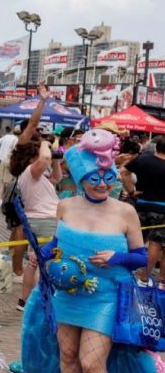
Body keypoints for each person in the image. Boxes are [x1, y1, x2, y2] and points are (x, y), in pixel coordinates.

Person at [21, 143, 147, 372]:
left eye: (108, 177)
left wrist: (117, 257)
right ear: (81, 179)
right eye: (94, 179)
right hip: (68, 294)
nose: (103, 184)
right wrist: (40, 254)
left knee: (91, 363)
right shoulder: (65, 206)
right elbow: (57, 244)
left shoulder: (126, 212)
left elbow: (141, 258)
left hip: (106, 296)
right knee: (68, 357)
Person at [9, 134, 62, 311]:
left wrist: (55, 161)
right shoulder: (31, 172)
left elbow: (57, 178)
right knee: (44, 263)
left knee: (33, 261)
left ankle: (24, 301)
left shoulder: (33, 175)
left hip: (36, 221)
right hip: (45, 221)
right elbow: (45, 158)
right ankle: (41, 300)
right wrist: (46, 143)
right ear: (33, 157)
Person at [121, 135, 165, 285]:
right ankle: (145, 278)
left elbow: (124, 172)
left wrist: (132, 191)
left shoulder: (144, 159)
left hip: (141, 204)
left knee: (135, 240)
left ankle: (126, 271)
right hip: (162, 210)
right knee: (155, 244)